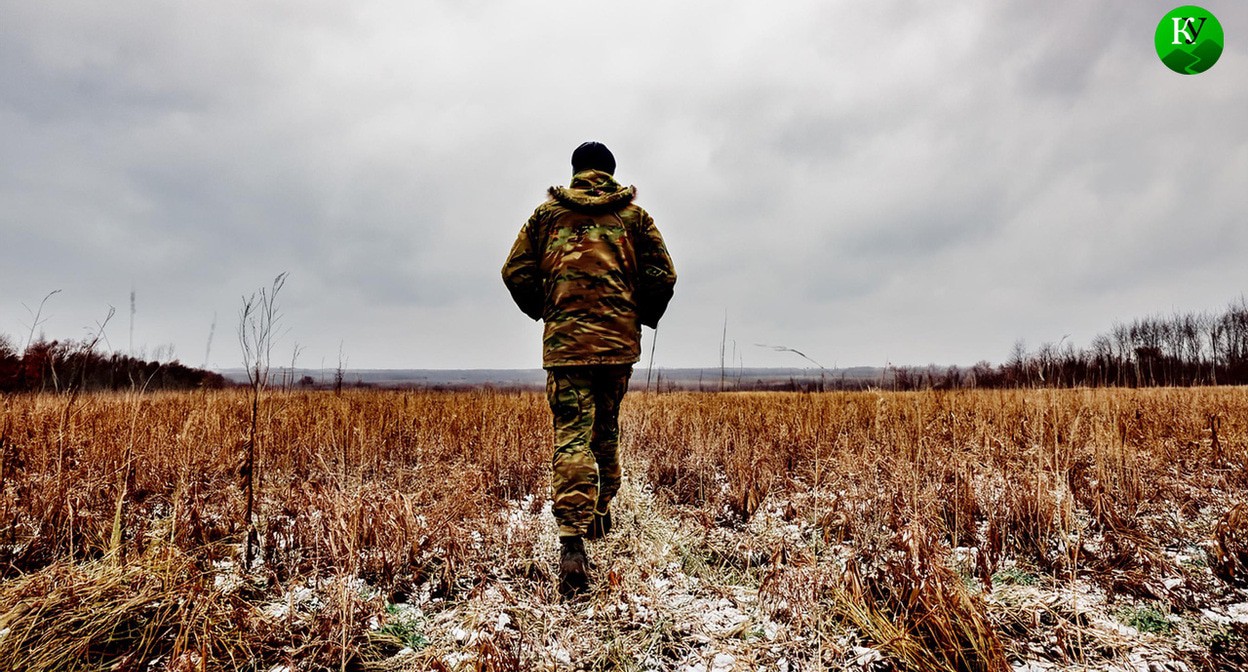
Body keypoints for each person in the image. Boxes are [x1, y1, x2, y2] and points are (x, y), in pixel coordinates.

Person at [501, 141, 676, 595]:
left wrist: (549, 309)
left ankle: (573, 543)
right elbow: (664, 275)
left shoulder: (546, 217)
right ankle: (600, 512)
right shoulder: (633, 218)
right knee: (606, 430)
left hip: (566, 346)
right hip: (617, 347)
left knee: (572, 437)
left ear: (576, 172)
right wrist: (634, 314)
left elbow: (514, 271)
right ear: (611, 174)